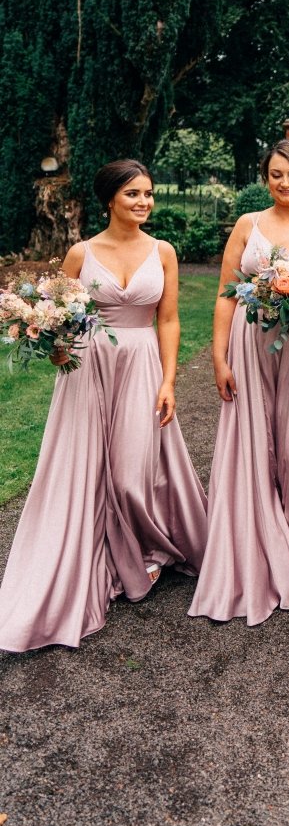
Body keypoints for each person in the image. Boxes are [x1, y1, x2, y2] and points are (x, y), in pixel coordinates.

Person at [0, 159, 207, 653]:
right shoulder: (81, 252)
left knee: (132, 472)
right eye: (134, 194)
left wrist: (169, 379)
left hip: (141, 365)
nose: (144, 203)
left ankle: (154, 545)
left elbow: (170, 320)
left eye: (149, 194)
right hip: (88, 369)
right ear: (110, 199)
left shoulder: (164, 251)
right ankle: (114, 553)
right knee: (89, 469)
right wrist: (52, 342)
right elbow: (60, 314)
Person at [189, 140, 289, 625]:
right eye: (276, 174)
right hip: (250, 344)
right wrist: (219, 358)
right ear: (266, 176)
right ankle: (257, 539)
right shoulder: (247, 225)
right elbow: (224, 293)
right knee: (256, 448)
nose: (284, 183)